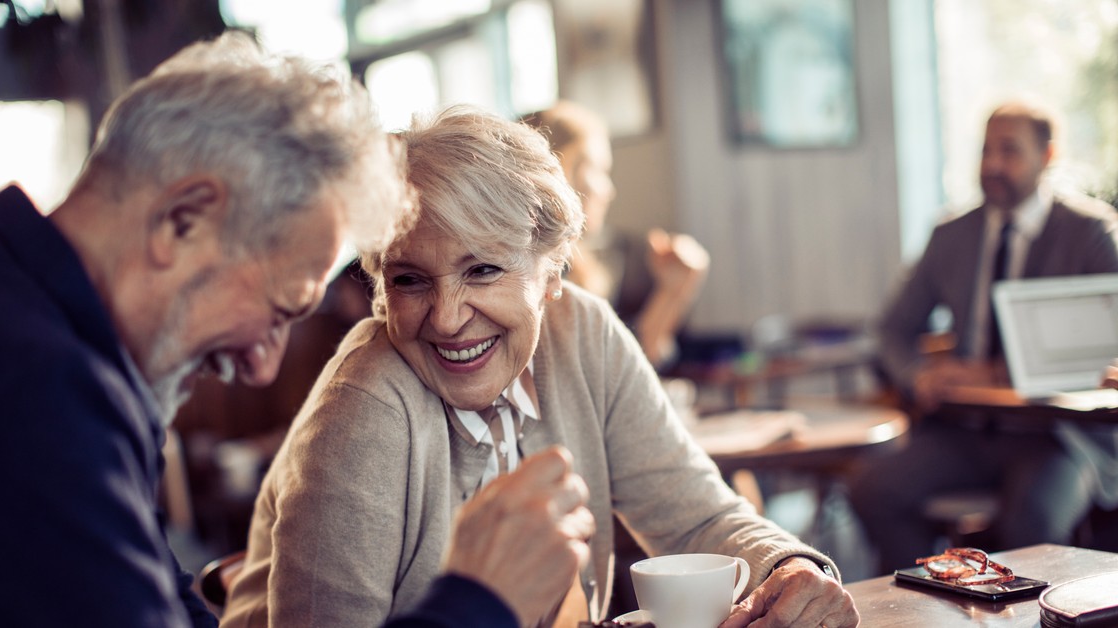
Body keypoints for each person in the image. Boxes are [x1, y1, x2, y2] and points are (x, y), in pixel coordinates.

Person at [0, 33, 592, 628]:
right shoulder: (29, 396)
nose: (264, 367)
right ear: (184, 221)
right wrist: (479, 598)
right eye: (280, 309)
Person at [222, 105, 859, 628]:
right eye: (411, 280)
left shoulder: (584, 332)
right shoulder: (365, 402)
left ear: (551, 272)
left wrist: (788, 569)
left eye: (482, 270)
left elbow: (696, 515)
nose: (445, 318)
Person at [850, 100, 1118, 574]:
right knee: (874, 489)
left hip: (1056, 434)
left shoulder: (1090, 233)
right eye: (986, 150)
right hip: (966, 429)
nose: (992, 165)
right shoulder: (952, 233)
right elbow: (892, 329)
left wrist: (999, 372)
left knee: (1030, 525)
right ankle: (929, 608)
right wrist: (917, 375)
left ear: (1047, 156)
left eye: (1009, 151)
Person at [523, 101, 709, 370]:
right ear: (560, 172)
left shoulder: (580, 266)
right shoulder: (538, 276)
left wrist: (673, 291)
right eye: (599, 171)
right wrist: (672, 295)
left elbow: (623, 369)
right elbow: (606, 377)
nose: (608, 191)